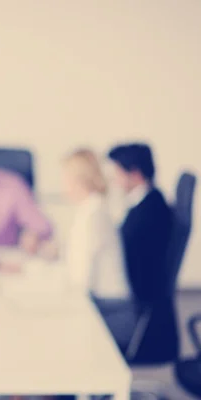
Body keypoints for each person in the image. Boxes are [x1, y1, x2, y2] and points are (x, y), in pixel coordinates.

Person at [107, 143, 178, 361]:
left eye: (117, 173)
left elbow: (135, 264)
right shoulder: (147, 202)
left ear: (135, 173)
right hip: (143, 305)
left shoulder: (149, 212)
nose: (113, 180)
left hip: (141, 313)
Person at [60, 149, 135, 351]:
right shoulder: (93, 208)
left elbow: (81, 283)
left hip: (111, 313)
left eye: (65, 179)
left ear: (78, 180)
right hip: (107, 307)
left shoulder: (93, 215)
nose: (63, 186)